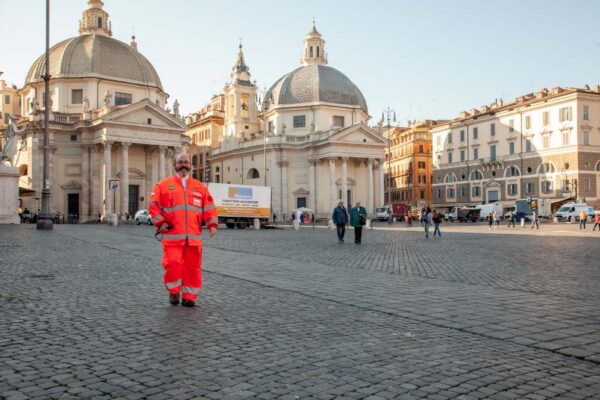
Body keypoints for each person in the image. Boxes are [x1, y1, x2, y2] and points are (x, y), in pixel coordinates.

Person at [149, 153, 218, 307]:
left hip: (193, 238)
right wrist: (160, 223)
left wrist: (212, 224)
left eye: (186, 162)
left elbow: (209, 207)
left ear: (190, 166)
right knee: (173, 265)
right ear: (175, 165)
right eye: (180, 162)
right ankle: (173, 292)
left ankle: (189, 297)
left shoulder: (200, 187)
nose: (184, 165)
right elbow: (152, 205)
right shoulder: (163, 185)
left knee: (193, 268)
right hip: (172, 236)